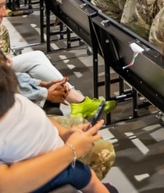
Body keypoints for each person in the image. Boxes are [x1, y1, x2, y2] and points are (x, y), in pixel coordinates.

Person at [0, 60, 112, 193]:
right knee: (88, 176)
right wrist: (71, 150)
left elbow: (36, 117)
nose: (10, 61)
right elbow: (6, 185)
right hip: (44, 175)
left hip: (54, 159)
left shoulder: (14, 100)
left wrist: (64, 134)